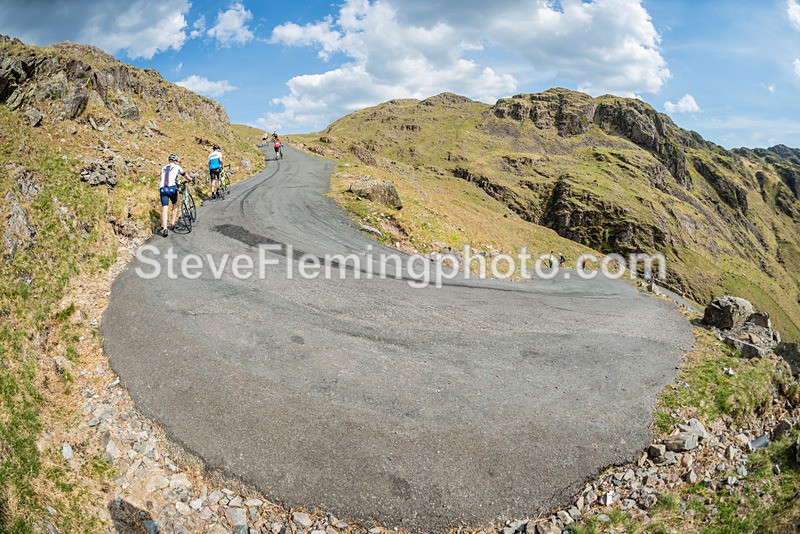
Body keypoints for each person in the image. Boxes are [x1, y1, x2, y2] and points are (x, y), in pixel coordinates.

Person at [158, 154, 191, 237]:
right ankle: (173, 223)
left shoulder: (163, 168)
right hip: (172, 188)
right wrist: (190, 179)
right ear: (175, 161)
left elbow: (163, 178)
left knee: (165, 208)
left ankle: (165, 228)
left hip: (162, 188)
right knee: (174, 204)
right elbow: (185, 175)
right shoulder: (177, 167)